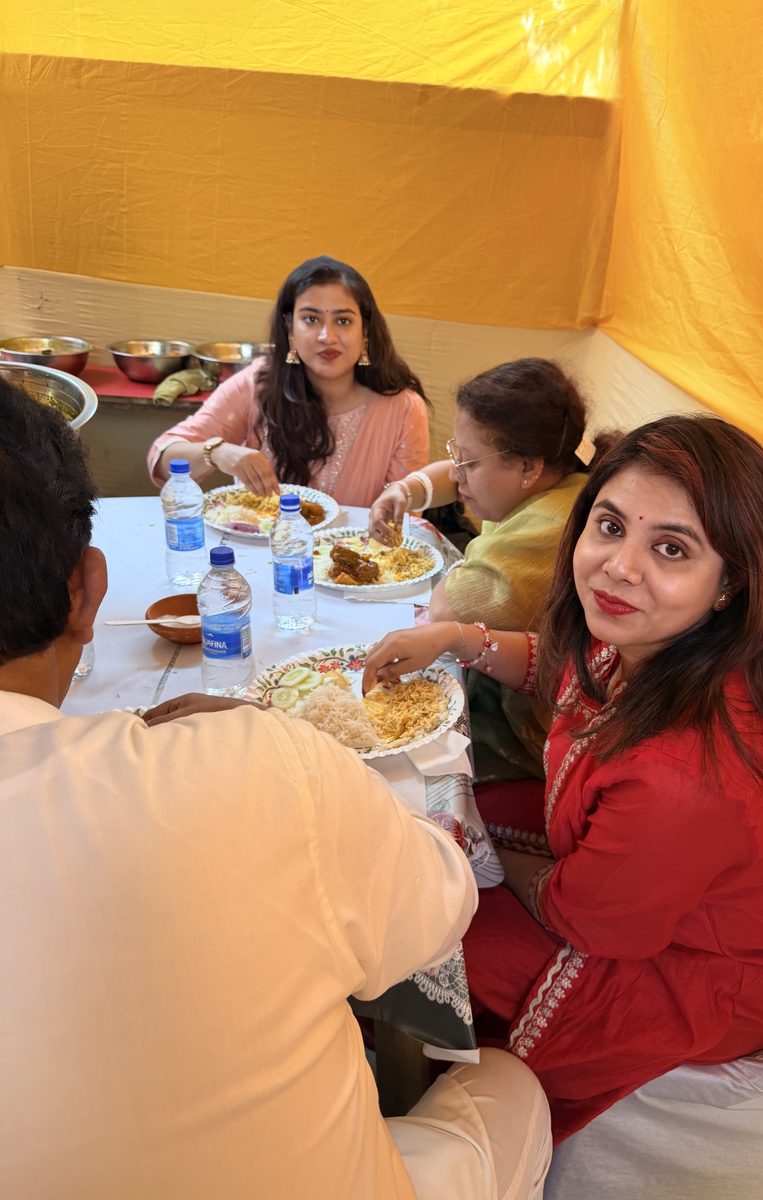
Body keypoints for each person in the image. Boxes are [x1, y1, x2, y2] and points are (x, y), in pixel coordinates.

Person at [0, 376, 551, 1198]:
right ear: (88, 587)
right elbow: (431, 918)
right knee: (514, 1092)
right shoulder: (264, 763)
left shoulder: (398, 412)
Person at [362, 414, 763, 1144]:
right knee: (432, 823)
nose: (620, 567)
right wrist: (461, 640)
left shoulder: (690, 770)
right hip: (655, 878)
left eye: (671, 549)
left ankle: (399, 1130)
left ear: (731, 583)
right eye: (610, 527)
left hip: (701, 966)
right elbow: (564, 673)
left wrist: (487, 856)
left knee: (412, 924)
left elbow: (591, 919)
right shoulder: (661, 643)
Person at [369, 358, 614, 782]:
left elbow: (447, 611)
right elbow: (452, 476)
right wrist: (404, 490)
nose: (457, 474)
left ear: (528, 467)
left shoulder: (552, 524)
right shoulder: (556, 476)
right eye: (455, 455)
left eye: (469, 462)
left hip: (525, 735)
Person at [147, 255, 430, 505]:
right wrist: (217, 452)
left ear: (365, 331)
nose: (326, 337)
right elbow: (161, 460)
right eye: (310, 319)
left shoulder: (403, 408)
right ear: (290, 330)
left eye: (343, 321)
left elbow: (405, 516)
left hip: (358, 561)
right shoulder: (257, 385)